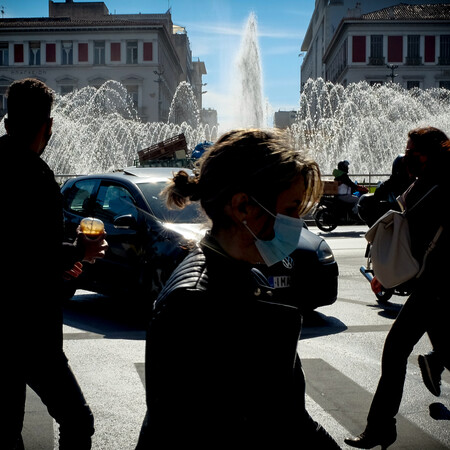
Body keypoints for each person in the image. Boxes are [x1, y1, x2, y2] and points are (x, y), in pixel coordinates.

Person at [135, 129, 341, 449]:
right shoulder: (194, 306)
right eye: (291, 210)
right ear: (243, 206)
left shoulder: (240, 278)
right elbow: (182, 431)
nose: (298, 225)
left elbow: (285, 416)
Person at [2, 78, 108, 449]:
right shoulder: (36, 175)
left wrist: (66, 259)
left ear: (7, 120)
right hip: (30, 330)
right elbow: (35, 257)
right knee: (78, 421)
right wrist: (79, 252)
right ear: (47, 127)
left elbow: (17, 248)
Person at [344, 126, 450, 449]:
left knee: (395, 349)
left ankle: (380, 428)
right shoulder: (429, 181)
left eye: (411, 152)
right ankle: (382, 425)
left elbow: (410, 234)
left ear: (428, 154)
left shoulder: (436, 186)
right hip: (434, 284)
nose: (406, 157)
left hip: (438, 286)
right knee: (414, 348)